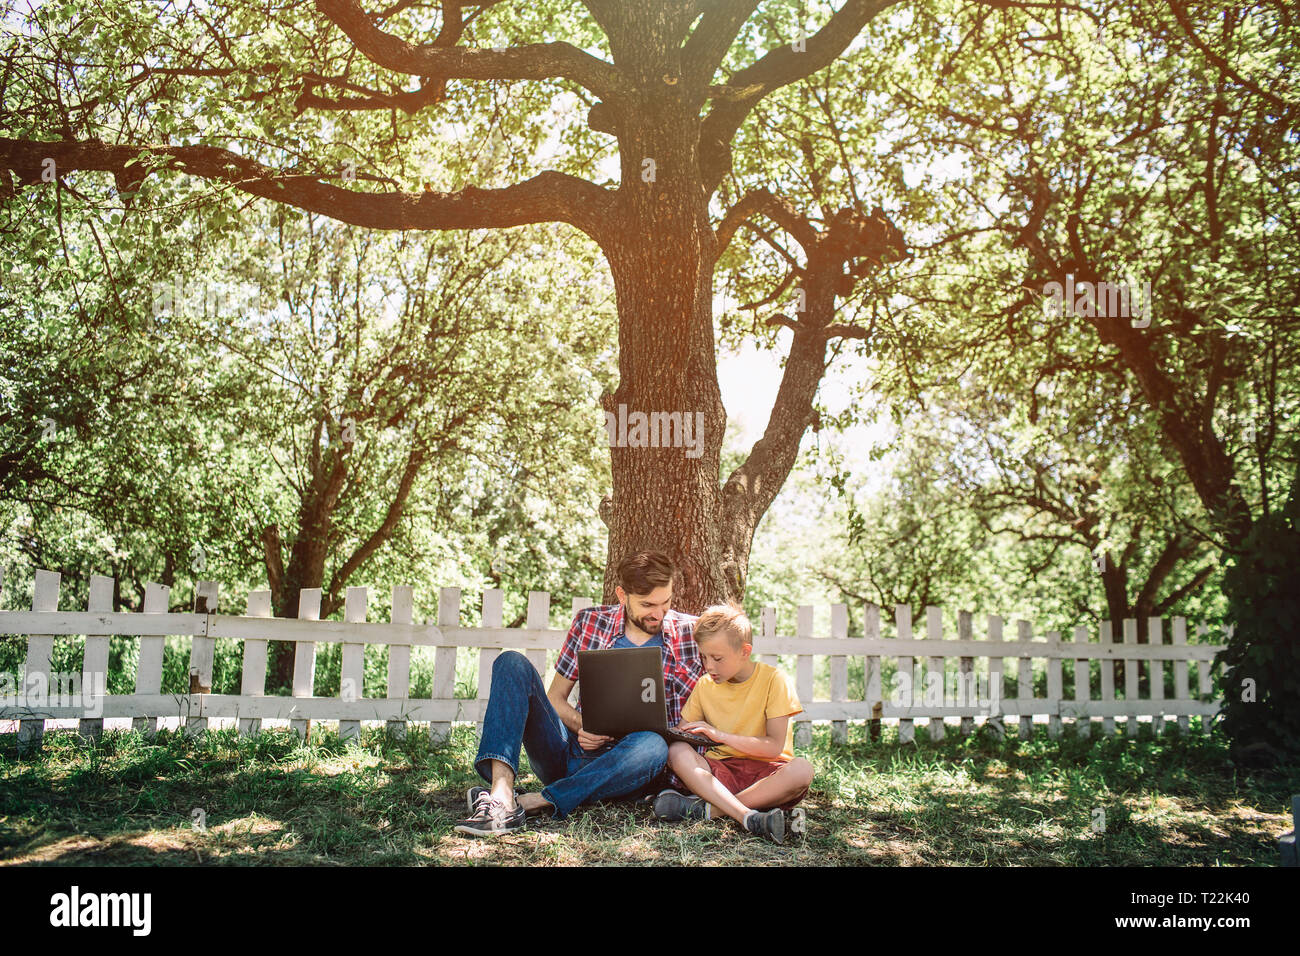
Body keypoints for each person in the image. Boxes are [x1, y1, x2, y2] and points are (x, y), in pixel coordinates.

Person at [454, 550, 704, 836]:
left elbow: (713, 704)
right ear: (622, 595)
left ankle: (540, 799)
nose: (658, 614)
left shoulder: (692, 633)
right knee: (511, 662)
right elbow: (555, 699)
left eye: (666, 602)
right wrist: (581, 724)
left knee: (654, 745)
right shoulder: (590, 622)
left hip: (634, 765)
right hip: (573, 752)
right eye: (648, 605)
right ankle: (501, 795)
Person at [652, 602, 813, 844]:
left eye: (717, 658)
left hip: (768, 776)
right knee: (677, 750)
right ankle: (748, 816)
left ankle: (708, 810)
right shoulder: (705, 685)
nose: (708, 666)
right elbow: (682, 732)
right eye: (704, 657)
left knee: (802, 770)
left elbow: (773, 747)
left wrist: (720, 736)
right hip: (721, 772)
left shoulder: (774, 680)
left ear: (744, 652)